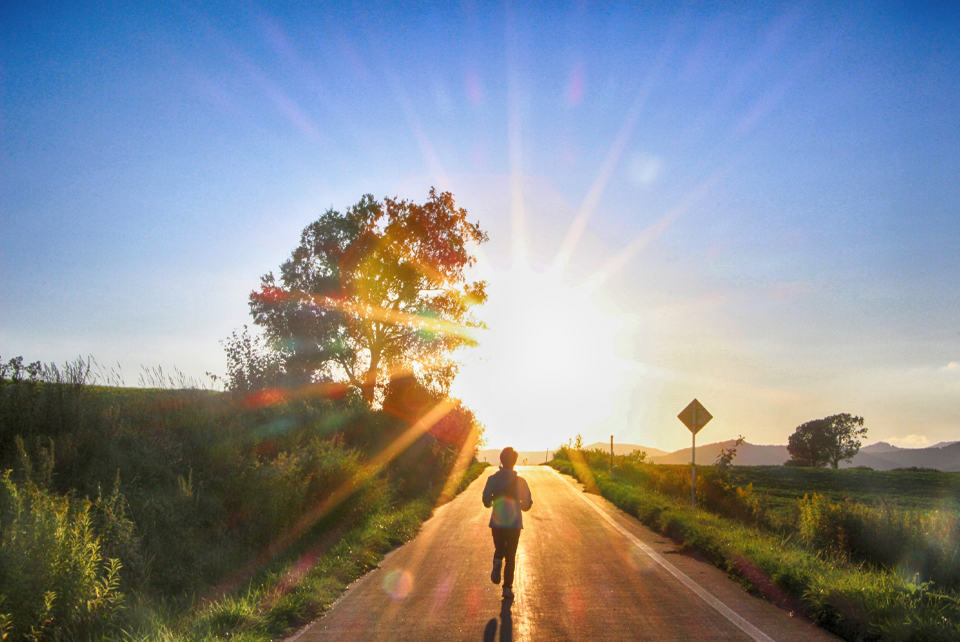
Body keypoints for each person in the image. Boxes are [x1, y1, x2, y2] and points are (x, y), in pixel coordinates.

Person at [482, 447, 533, 599]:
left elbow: (485, 501)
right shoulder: (521, 482)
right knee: (511, 556)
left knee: (499, 547)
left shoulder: (492, 480)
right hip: (514, 524)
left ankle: (497, 559)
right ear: (515, 461)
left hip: (497, 523)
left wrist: (493, 500)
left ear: (501, 460)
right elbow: (527, 505)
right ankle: (507, 588)